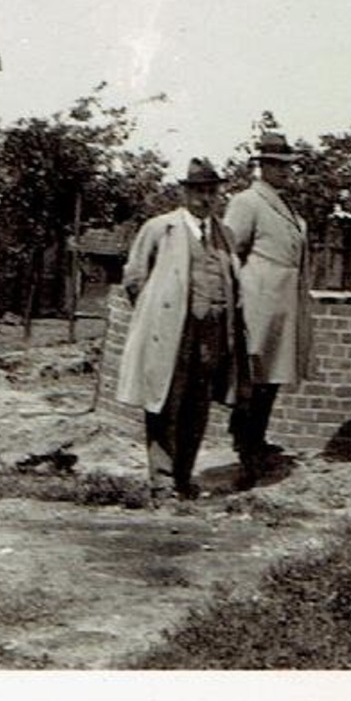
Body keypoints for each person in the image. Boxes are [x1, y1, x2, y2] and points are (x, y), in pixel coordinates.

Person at [115, 158, 249, 502]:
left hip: (213, 333)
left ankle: (184, 478)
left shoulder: (224, 234)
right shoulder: (161, 228)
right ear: (185, 193)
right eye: (199, 192)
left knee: (197, 405)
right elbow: (134, 278)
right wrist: (156, 315)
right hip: (172, 333)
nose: (206, 199)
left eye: (212, 192)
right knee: (164, 404)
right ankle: (161, 481)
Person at [224, 131, 316, 490]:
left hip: (283, 305)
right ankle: (245, 450)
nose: (282, 173)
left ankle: (256, 441)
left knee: (271, 380)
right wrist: (239, 300)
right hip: (259, 303)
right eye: (274, 166)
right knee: (253, 379)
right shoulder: (248, 202)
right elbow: (231, 253)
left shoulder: (284, 205)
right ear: (260, 167)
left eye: (286, 167)